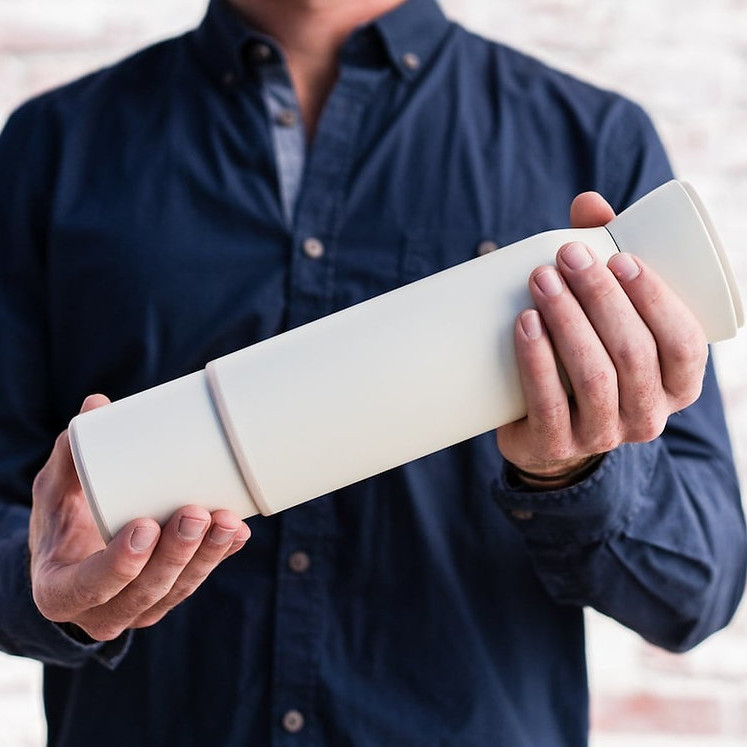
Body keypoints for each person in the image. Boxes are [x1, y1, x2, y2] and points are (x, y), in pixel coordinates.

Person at [0, 0, 744, 744]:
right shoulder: (50, 146)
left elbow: (694, 590)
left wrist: (574, 471)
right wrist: (51, 594)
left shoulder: (590, 140)